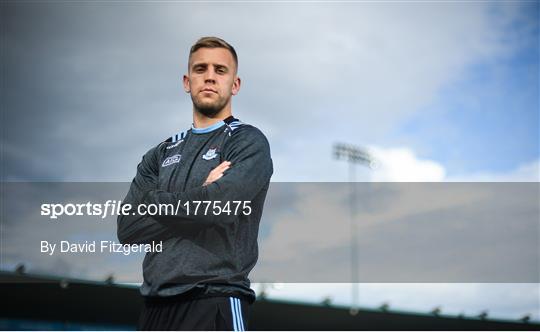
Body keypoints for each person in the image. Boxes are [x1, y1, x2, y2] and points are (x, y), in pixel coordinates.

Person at [117, 36, 273, 331]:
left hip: (215, 299)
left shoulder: (247, 142)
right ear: (187, 82)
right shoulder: (159, 154)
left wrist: (157, 201)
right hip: (154, 308)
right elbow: (128, 228)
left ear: (235, 84)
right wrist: (201, 193)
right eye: (201, 69)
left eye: (220, 70)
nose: (210, 77)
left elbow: (220, 207)